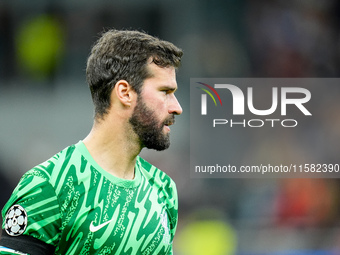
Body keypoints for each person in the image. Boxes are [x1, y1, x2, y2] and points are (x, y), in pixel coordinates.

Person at [0, 29, 183, 255]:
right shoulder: (48, 185)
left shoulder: (163, 188)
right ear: (125, 93)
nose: (177, 107)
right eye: (165, 91)